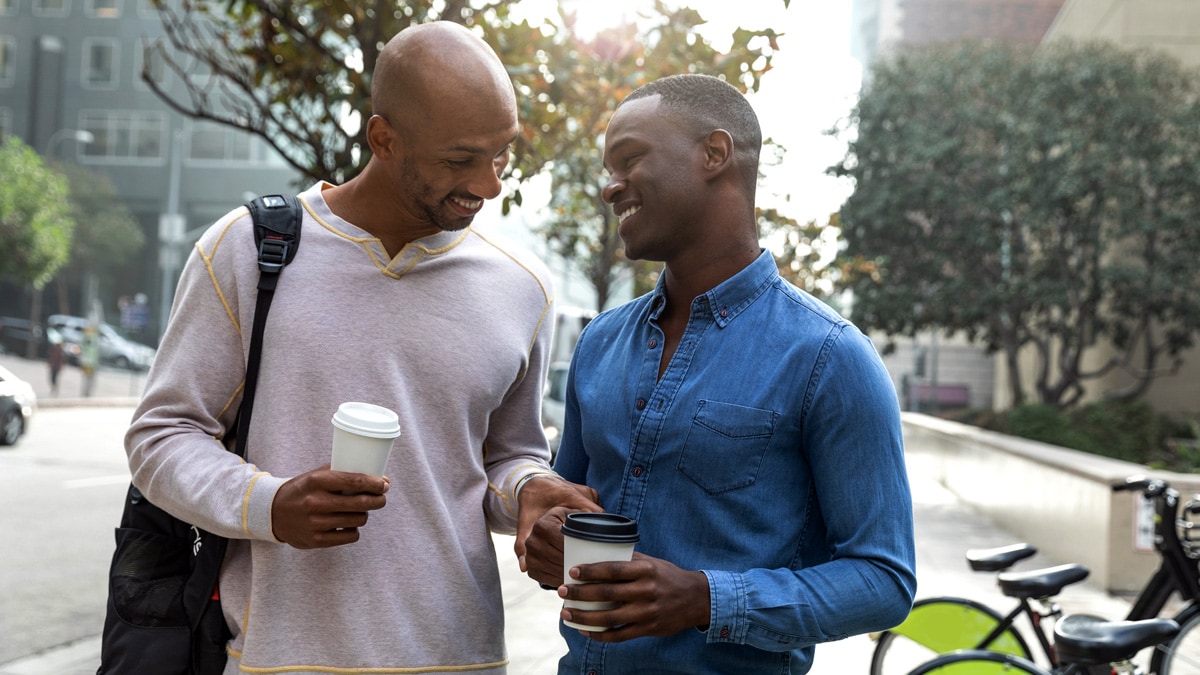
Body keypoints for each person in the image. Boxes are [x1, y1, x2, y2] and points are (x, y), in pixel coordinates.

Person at [125, 21, 598, 675]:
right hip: (278, 660)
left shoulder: (524, 286)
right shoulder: (250, 251)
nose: (490, 184)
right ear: (383, 138)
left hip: (460, 659)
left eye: (502, 154)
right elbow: (160, 435)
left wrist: (532, 487)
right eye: (460, 159)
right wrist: (268, 503)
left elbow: (504, 454)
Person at [518, 74, 917, 674]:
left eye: (629, 159)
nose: (609, 187)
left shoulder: (830, 358)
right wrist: (546, 533)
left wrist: (705, 599)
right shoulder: (600, 342)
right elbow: (564, 499)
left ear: (714, 154)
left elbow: (883, 580)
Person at [46, 329, 64, 396]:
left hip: (57, 366)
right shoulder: (53, 349)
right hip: (53, 366)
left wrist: (61, 366)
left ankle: (54, 389)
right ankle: (53, 388)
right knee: (51, 378)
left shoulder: (60, 351)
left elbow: (61, 359)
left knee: (55, 378)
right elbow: (51, 357)